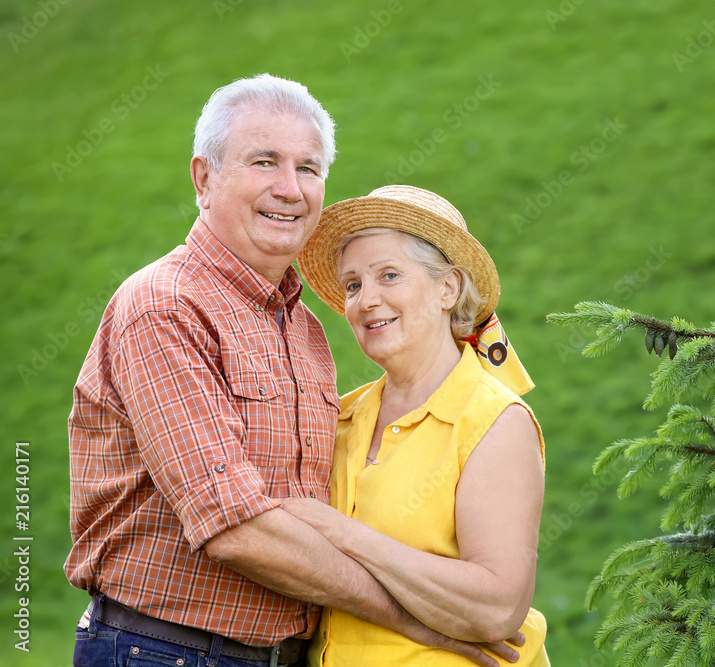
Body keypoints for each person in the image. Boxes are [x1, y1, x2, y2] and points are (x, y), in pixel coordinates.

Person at [66, 74, 517, 667]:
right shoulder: (166, 306)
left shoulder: (303, 329)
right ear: (204, 178)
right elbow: (234, 529)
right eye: (264, 162)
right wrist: (418, 621)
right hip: (164, 650)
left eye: (308, 168)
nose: (290, 188)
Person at [291, 184, 550, 665]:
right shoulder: (339, 417)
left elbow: (496, 608)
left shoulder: (494, 420)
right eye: (353, 285)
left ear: (448, 288)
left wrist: (340, 533)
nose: (367, 299)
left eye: (389, 275)